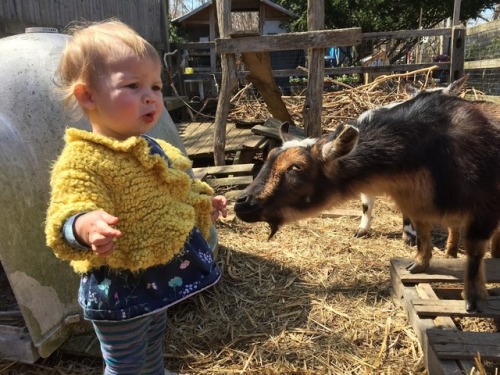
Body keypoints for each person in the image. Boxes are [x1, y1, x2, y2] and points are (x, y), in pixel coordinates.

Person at [45, 19, 227, 375]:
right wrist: (85, 225)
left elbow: (174, 190)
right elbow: (68, 209)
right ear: (88, 95)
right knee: (124, 363)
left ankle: (155, 371)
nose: (151, 96)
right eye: (132, 85)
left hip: (157, 278)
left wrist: (203, 203)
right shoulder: (84, 159)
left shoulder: (153, 147)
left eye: (156, 86)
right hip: (119, 288)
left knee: (154, 335)